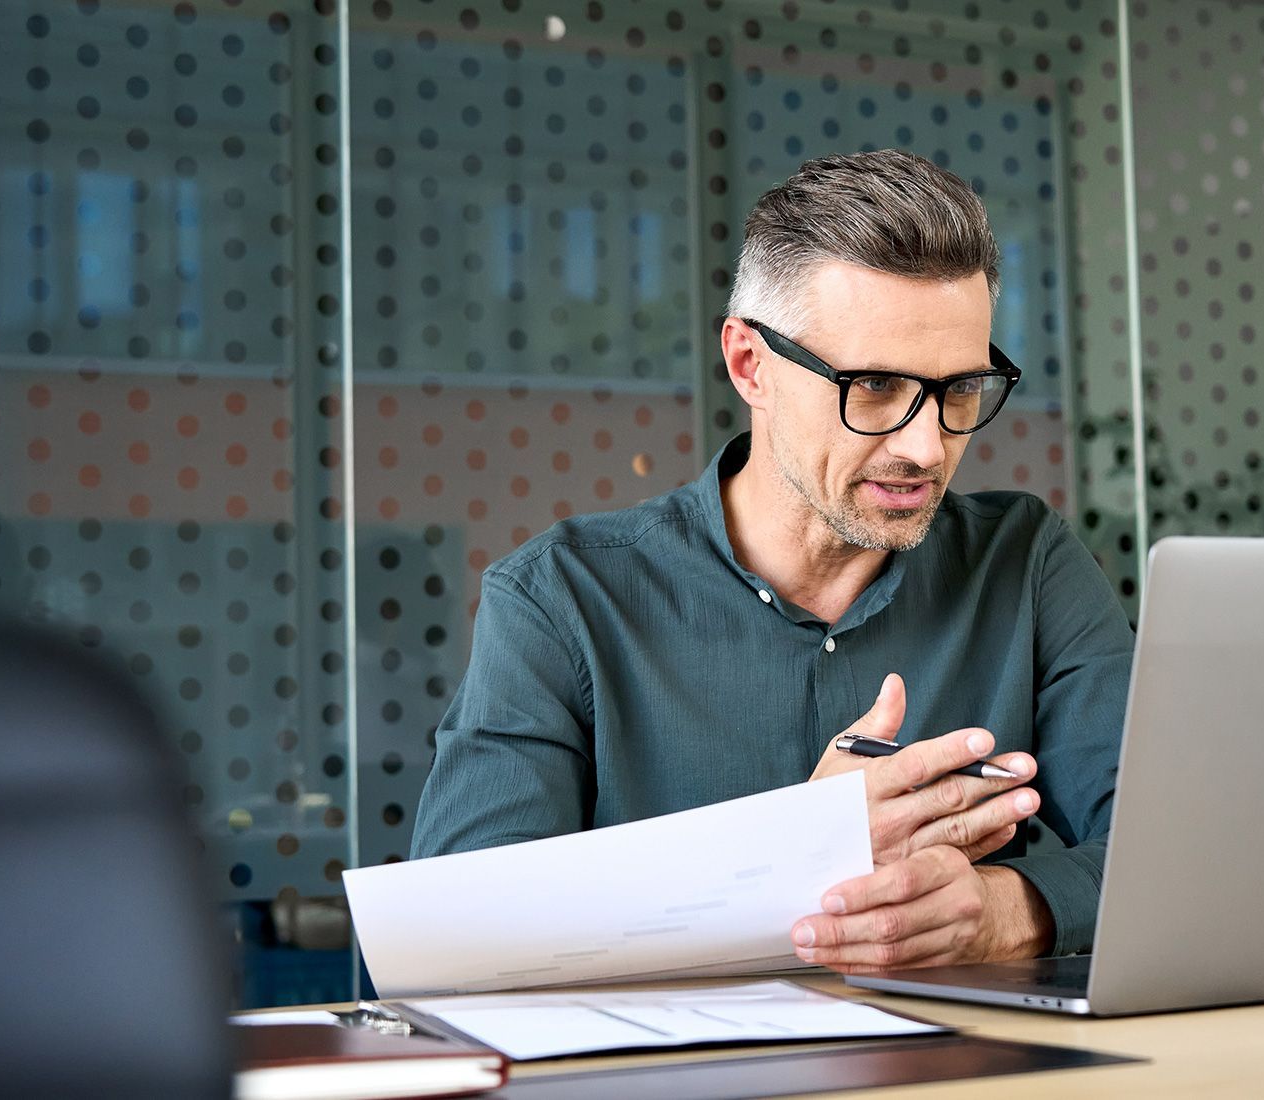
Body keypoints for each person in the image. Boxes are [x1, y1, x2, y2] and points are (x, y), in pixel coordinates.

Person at [412, 149, 1133, 972]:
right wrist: (791, 853)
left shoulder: (1027, 563)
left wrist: (1012, 909)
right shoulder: (561, 600)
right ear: (751, 365)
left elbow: (1179, 853)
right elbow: (455, 936)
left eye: (960, 390)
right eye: (873, 388)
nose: (926, 445)